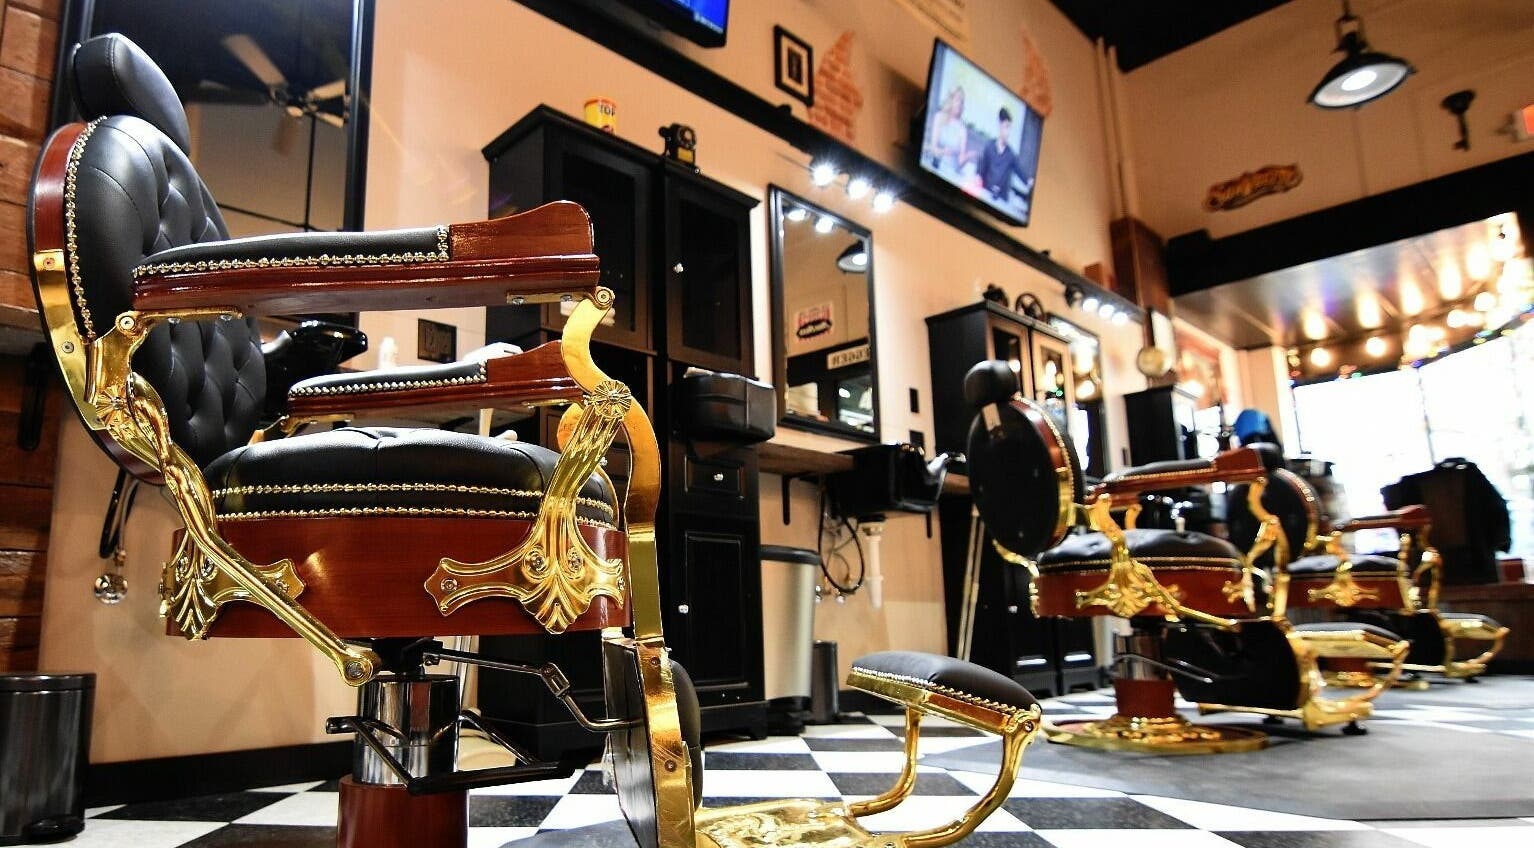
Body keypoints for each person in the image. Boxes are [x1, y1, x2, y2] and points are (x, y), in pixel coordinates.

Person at [976, 107, 1032, 205]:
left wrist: (1030, 182)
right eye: (1006, 127)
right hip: (985, 197)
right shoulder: (989, 146)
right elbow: (980, 170)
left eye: (1010, 127)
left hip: (1001, 202)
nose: (1008, 132)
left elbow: (1021, 174)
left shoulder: (1011, 155)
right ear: (1000, 126)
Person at [924, 86, 969, 177]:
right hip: (935, 167)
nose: (959, 104)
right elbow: (933, 148)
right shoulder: (939, 117)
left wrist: (968, 157)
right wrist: (946, 151)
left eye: (961, 102)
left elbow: (960, 162)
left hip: (952, 172)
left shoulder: (962, 129)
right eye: (957, 100)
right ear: (951, 100)